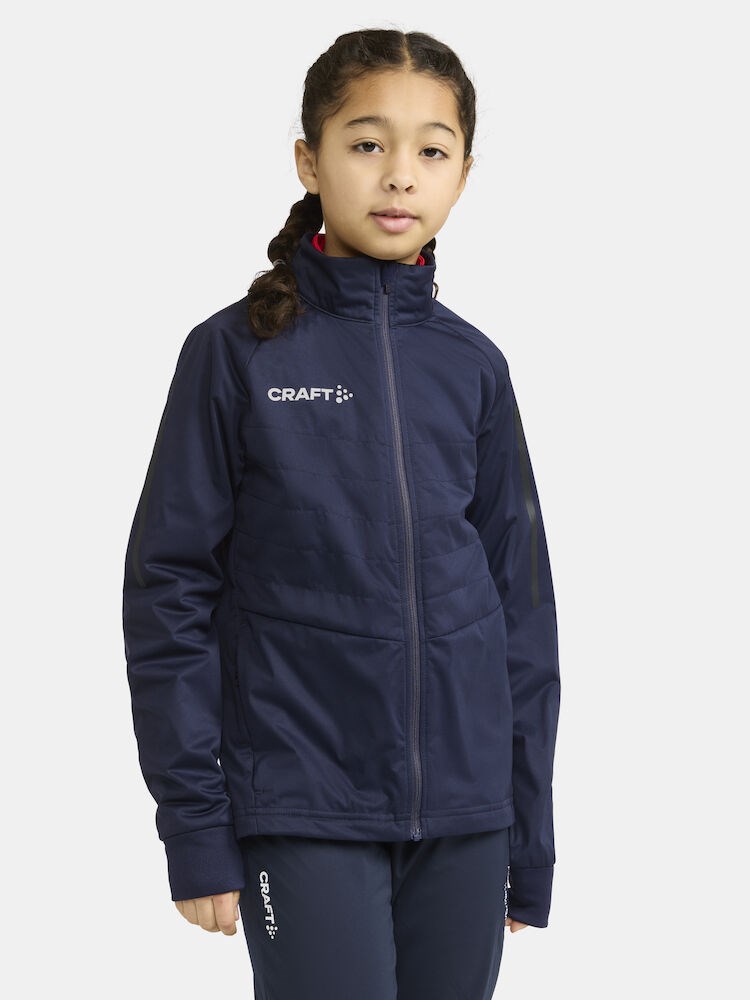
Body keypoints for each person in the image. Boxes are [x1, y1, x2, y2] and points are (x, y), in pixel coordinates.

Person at [122, 26, 561, 1000]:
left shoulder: (474, 366)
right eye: (367, 143)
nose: (399, 174)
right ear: (309, 161)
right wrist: (195, 825)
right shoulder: (234, 354)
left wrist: (529, 834)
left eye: (432, 150)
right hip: (300, 802)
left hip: (466, 815)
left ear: (463, 174)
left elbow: (521, 614)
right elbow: (169, 593)